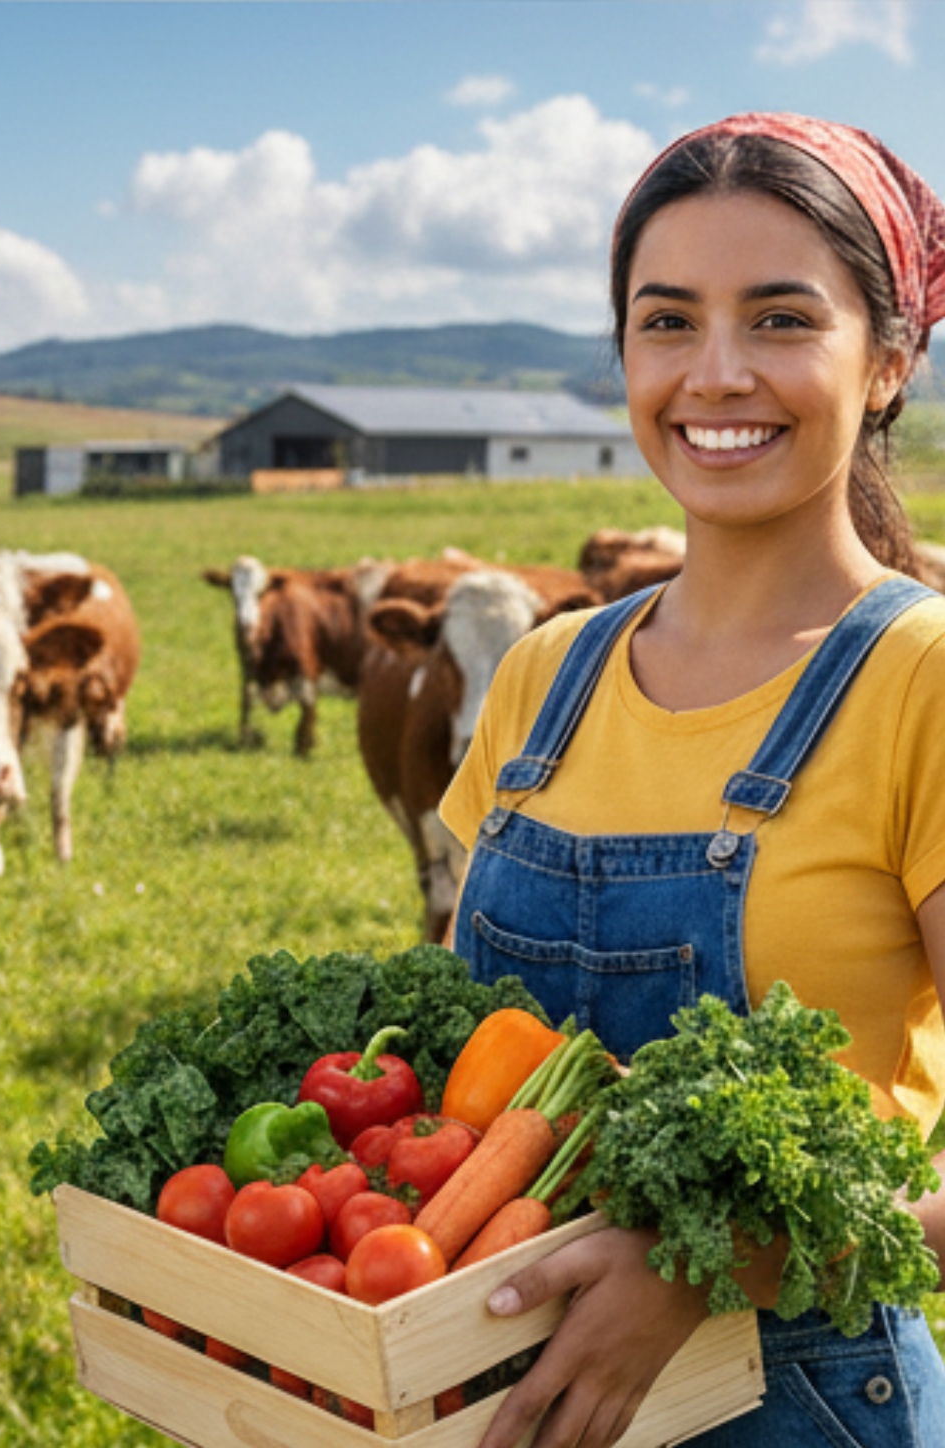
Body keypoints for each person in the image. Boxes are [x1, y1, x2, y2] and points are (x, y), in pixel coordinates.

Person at [440, 113, 945, 1448]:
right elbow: (460, 1079)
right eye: (668, 323)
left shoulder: (924, 683)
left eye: (782, 320)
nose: (715, 374)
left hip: (811, 1406)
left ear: (889, 362)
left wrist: (716, 1264)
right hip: (504, 1397)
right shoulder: (544, 677)